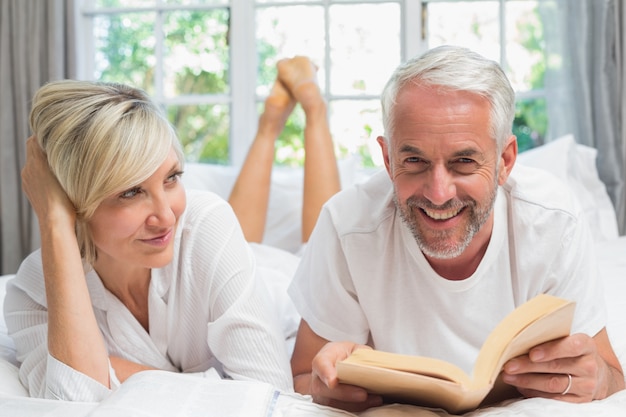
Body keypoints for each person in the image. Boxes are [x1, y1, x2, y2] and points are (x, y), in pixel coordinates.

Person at [287, 45, 625, 411]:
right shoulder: (348, 225)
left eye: (464, 162)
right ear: (387, 159)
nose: (438, 193)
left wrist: (594, 379)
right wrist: (329, 388)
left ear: (504, 161)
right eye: (414, 160)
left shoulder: (554, 221)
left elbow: (611, 377)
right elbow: (305, 377)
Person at [4, 80, 293, 401]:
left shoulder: (204, 222)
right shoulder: (31, 293)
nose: (167, 217)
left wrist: (114, 372)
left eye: (172, 178)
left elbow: (273, 397)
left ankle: (276, 121)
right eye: (131, 191)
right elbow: (73, 404)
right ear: (74, 201)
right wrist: (55, 222)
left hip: (279, 278)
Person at [228, 55, 341, 245]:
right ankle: (315, 110)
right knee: (326, 254)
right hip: (314, 269)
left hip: (255, 269)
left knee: (233, 254)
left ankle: (268, 126)